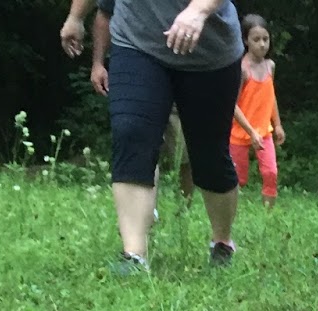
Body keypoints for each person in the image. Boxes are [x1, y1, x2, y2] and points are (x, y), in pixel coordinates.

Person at [59, 0, 242, 272]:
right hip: (136, 42)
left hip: (209, 53)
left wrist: (198, 11)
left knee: (209, 156)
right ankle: (134, 255)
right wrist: (76, 16)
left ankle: (222, 243)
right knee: (131, 133)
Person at [86, 0, 195, 203]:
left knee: (185, 152)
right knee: (139, 141)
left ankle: (184, 207)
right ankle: (146, 212)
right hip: (138, 67)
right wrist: (98, 63)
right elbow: (105, 13)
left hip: (184, 69)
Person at [230, 13, 283, 208]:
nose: (262, 44)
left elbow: (271, 96)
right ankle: (231, 213)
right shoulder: (242, 69)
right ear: (246, 41)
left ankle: (268, 215)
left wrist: (277, 124)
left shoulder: (270, 66)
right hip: (240, 132)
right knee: (238, 178)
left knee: (271, 173)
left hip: (264, 132)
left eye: (265, 39)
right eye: (256, 39)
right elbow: (232, 105)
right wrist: (250, 131)